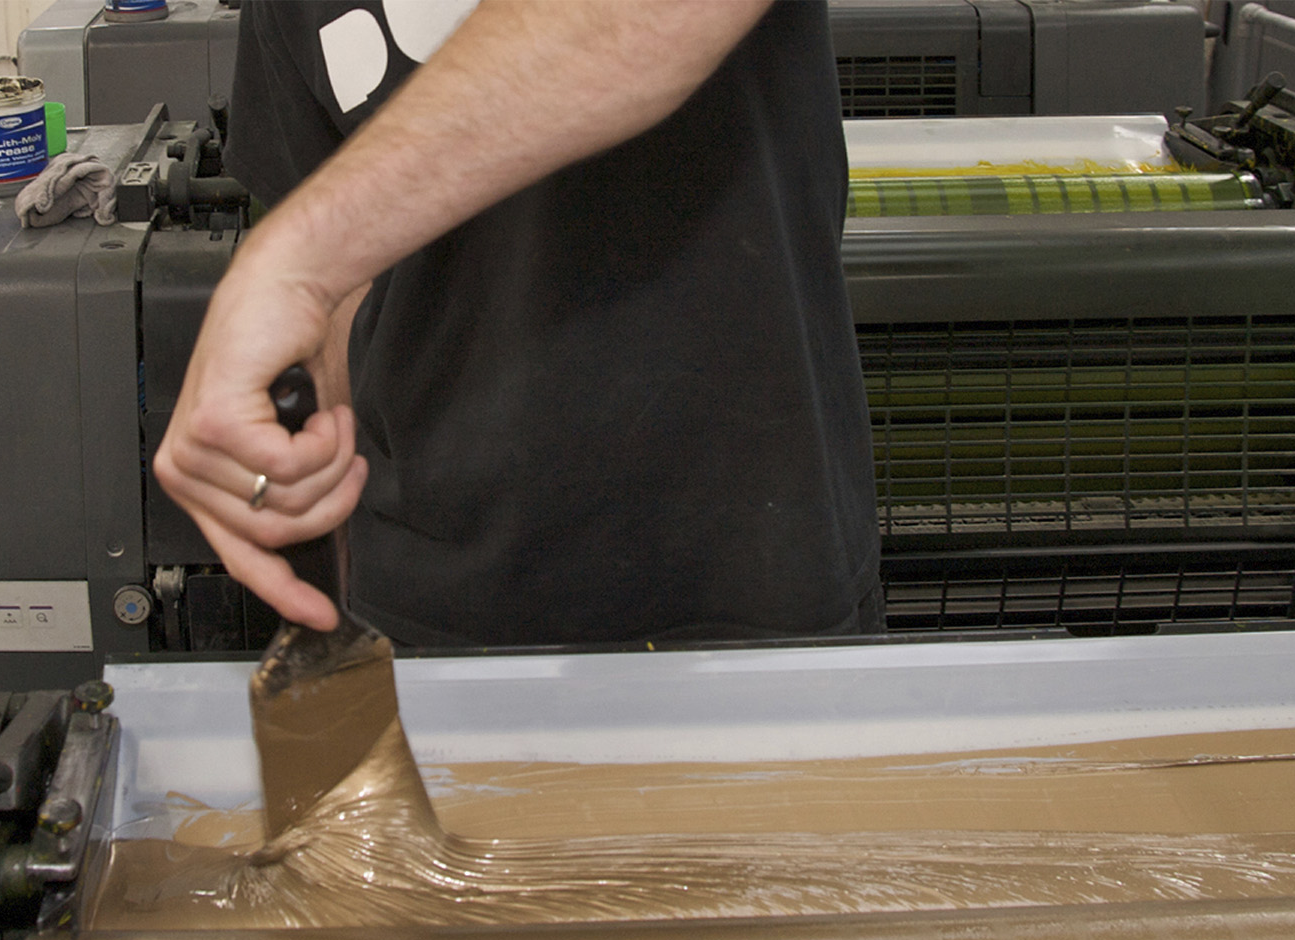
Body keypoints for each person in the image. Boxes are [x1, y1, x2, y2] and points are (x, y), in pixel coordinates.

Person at [153, 0, 882, 647]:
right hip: (435, 607)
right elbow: (344, 299)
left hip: (756, 573)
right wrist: (324, 579)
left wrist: (294, 262)